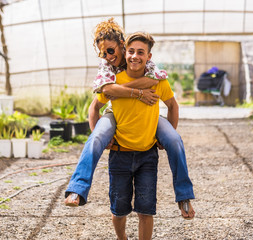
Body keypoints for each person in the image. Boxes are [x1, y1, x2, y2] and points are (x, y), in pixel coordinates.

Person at [64, 18, 195, 219]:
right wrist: (135, 93)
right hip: (115, 113)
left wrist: (125, 91)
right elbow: (105, 92)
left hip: (149, 115)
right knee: (96, 138)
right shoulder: (107, 67)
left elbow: (155, 81)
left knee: (175, 140)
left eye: (110, 50)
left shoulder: (139, 58)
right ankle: (78, 189)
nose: (107, 56)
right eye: (102, 52)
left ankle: (184, 196)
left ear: (121, 46)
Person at [96, 31, 181, 239]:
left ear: (148, 57)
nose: (135, 56)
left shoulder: (156, 80)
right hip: (120, 154)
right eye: (131, 51)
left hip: (147, 156)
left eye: (141, 52)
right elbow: (95, 106)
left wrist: (168, 134)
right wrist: (102, 136)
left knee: (146, 208)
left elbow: (172, 105)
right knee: (119, 208)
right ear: (125, 53)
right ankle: (122, 238)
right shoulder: (113, 80)